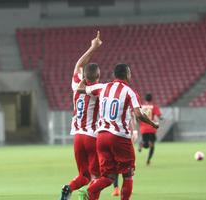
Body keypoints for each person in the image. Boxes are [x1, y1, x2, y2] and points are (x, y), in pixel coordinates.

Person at [78, 63, 159, 200]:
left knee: (108, 177)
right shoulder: (130, 92)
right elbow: (139, 115)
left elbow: (80, 89)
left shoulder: (102, 87)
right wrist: (153, 123)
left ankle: (88, 190)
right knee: (128, 175)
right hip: (119, 137)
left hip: (102, 137)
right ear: (127, 74)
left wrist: (85, 77)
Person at [59, 31, 102, 200]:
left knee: (83, 175)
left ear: (84, 75)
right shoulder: (99, 90)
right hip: (92, 137)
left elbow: (78, 65)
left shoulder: (76, 85)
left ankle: (68, 189)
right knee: (97, 177)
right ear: (98, 76)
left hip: (77, 136)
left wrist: (92, 48)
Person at [138, 93, 163, 165]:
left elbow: (137, 115)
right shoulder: (154, 106)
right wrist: (161, 118)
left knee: (146, 144)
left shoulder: (141, 106)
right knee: (152, 145)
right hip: (152, 128)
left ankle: (142, 144)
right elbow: (159, 116)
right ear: (151, 99)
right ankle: (148, 160)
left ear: (145, 99)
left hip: (143, 129)